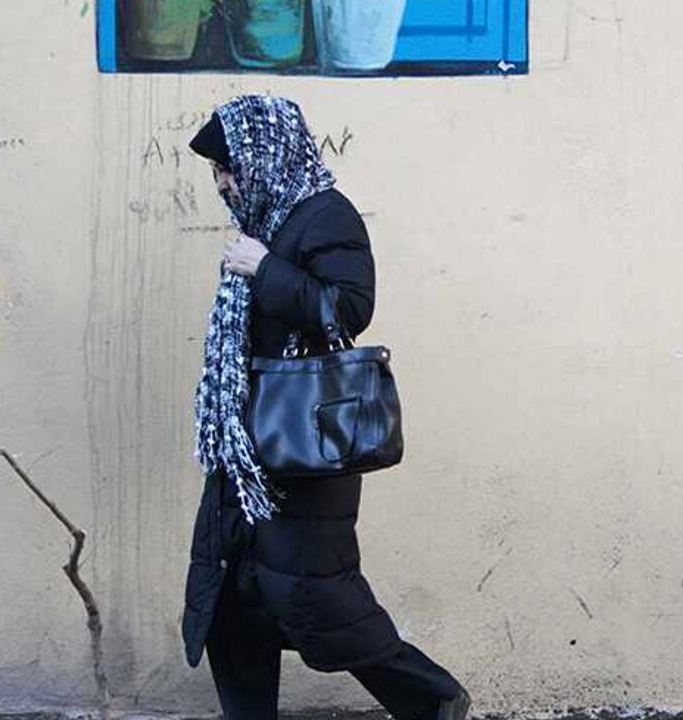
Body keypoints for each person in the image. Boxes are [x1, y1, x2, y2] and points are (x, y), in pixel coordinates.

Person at [181, 94, 472, 720]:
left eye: (226, 166)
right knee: (233, 599)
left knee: (318, 601)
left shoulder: (324, 215)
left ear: (264, 154)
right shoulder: (267, 219)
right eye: (215, 172)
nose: (222, 183)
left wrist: (265, 270)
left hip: (304, 447)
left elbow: (347, 310)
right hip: (248, 444)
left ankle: (433, 698)